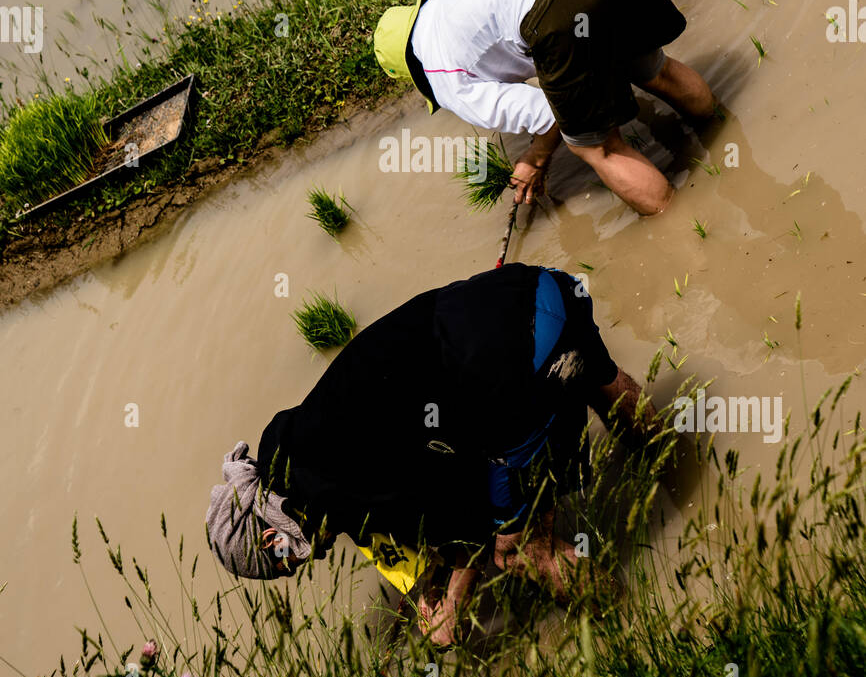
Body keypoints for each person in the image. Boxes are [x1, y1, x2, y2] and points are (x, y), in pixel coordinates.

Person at [205, 264, 658, 645]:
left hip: (520, 363)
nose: (311, 560)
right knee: (594, 376)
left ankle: (628, 628)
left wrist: (450, 609)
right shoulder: (298, 442)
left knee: (518, 552)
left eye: (286, 564)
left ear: (271, 538)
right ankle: (670, 458)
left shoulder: (332, 491)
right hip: (540, 291)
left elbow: (470, 519)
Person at [373, 0, 717, 215]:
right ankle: (720, 129)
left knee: (598, 148)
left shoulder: (442, 75)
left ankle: (684, 226)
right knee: (652, 69)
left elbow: (547, 115)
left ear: (413, 71)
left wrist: (535, 159)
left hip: (559, 5)